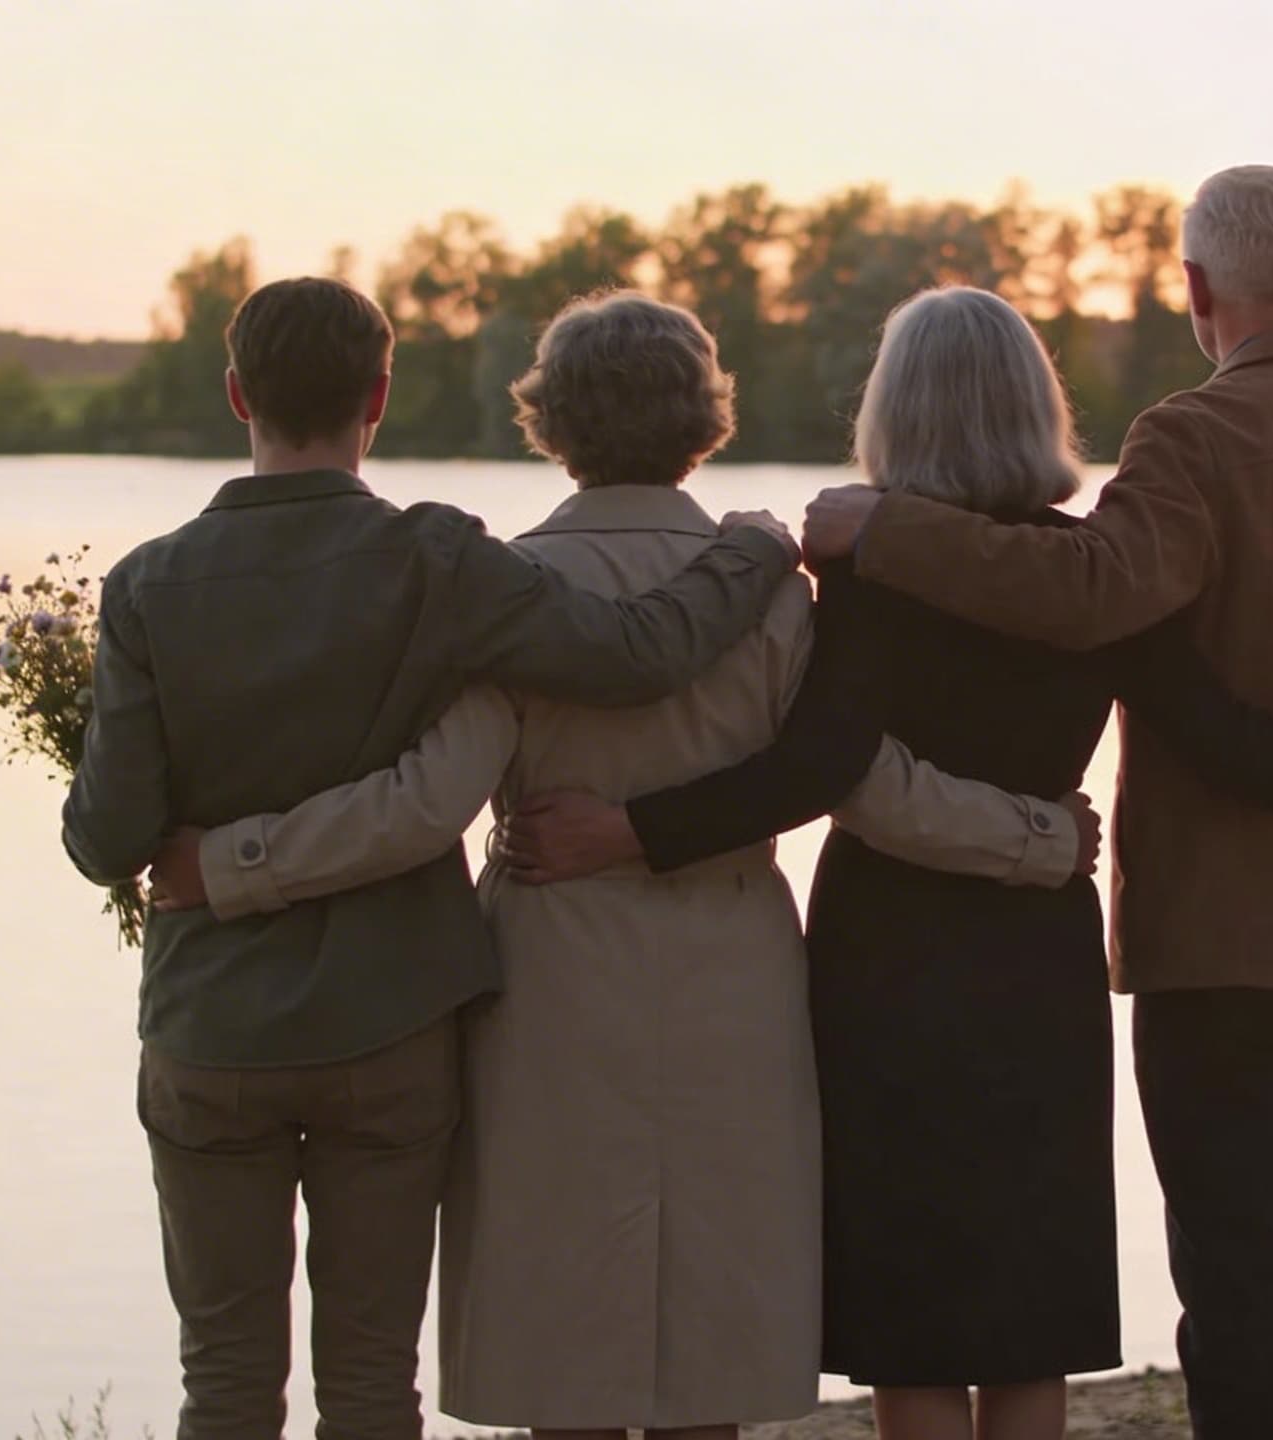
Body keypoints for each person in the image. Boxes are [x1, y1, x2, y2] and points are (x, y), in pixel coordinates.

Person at [145, 290, 1110, 1440]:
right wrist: (1036, 836)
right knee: (709, 1350)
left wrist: (233, 862)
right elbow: (857, 780)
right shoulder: (767, 591)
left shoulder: (503, 592)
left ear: (549, 421)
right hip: (732, 976)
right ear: (703, 418)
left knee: (566, 1345)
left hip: (552, 977)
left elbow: (429, 801)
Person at [507, 285, 1273, 1440]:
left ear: (891, 414)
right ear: (1033, 405)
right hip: (1037, 951)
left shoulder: (863, 569)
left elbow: (817, 768)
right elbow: (1212, 724)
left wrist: (631, 830)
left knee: (916, 1306)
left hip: (886, 954)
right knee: (1025, 1299)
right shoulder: (1093, 576)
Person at [801, 167, 1273, 1440]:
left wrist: (882, 531)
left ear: (1193, 290)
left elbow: (1085, 591)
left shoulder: (1190, 440)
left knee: (1233, 1286)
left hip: (1224, 953)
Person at [58, 276, 803, 1440]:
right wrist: (758, 553)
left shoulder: (147, 585)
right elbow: (633, 654)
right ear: (381, 396)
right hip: (392, 1021)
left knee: (223, 1378)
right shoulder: (439, 564)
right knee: (369, 1380)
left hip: (213, 1026)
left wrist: (171, 825)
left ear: (235, 393)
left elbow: (110, 842)